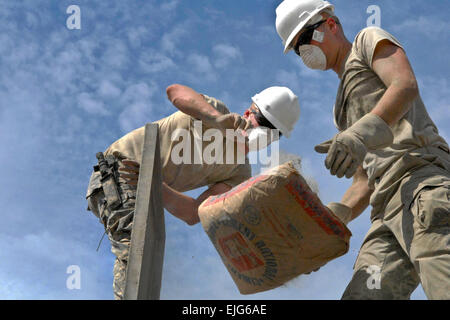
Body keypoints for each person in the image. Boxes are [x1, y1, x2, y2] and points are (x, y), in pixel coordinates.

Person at [275, 0, 450, 299]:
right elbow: (363, 181)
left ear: (330, 24)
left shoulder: (366, 41)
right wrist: (330, 220)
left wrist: (360, 133)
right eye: (296, 47)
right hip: (384, 211)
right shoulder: (338, 109)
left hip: (419, 183)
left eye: (305, 38)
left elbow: (404, 84)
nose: (303, 51)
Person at [85, 84, 300, 299]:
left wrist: (155, 182)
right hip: (119, 171)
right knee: (136, 251)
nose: (265, 134)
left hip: (147, 189)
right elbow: (174, 92)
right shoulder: (214, 112)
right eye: (264, 123)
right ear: (248, 113)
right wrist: (214, 118)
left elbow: (192, 213)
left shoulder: (239, 172)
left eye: (275, 133)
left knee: (148, 261)